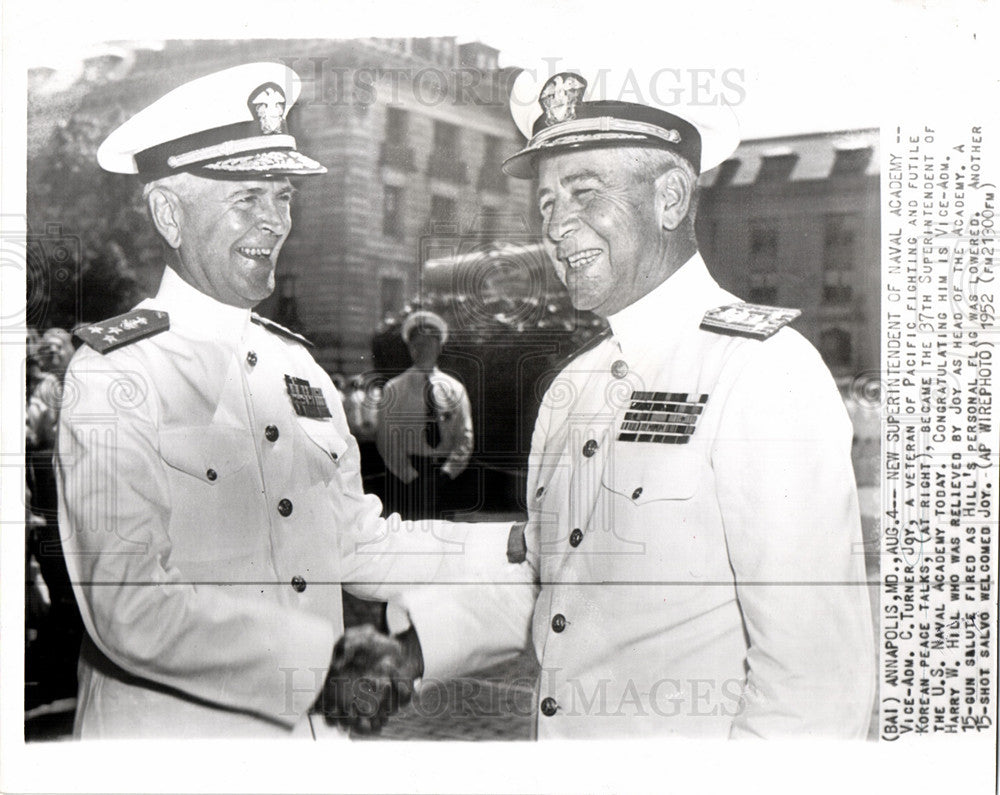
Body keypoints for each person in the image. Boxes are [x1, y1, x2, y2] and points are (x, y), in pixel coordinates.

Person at [375, 66, 877, 739]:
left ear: (670, 198)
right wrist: (413, 649)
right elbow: (557, 584)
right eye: (547, 203)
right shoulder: (572, 388)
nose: (555, 228)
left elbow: (814, 685)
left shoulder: (761, 371)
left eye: (584, 193)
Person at [55, 62, 532, 739]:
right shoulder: (115, 373)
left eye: (281, 196)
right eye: (247, 198)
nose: (274, 221)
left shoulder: (296, 366)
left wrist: (515, 543)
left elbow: (355, 541)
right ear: (169, 212)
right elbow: (129, 606)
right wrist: (322, 667)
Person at [376, 310, 474, 519]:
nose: (421, 349)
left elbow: (465, 436)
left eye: (428, 343)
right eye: (416, 344)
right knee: (409, 542)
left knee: (445, 542)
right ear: (409, 348)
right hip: (406, 478)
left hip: (444, 476)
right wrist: (409, 475)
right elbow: (387, 440)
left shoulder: (454, 389)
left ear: (439, 346)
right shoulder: (394, 389)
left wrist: (448, 471)